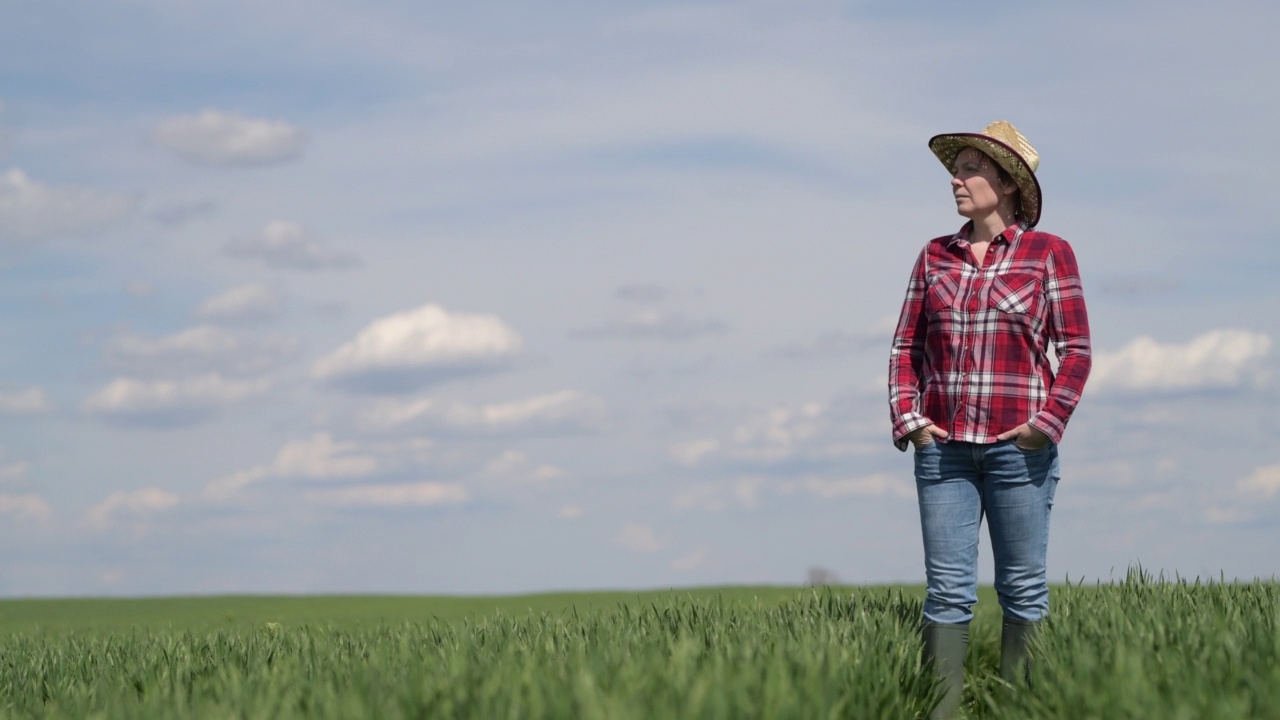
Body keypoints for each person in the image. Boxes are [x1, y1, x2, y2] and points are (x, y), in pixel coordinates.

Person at [887, 121, 1091, 718]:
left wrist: (1043, 427)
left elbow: (1075, 351)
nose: (956, 178)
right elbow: (906, 347)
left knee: (1022, 589)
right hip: (944, 451)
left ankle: (1020, 709)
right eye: (957, 167)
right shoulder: (934, 255)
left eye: (971, 168)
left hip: (1019, 451)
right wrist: (913, 422)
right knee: (947, 595)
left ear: (1005, 182)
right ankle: (943, 711)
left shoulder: (1049, 253)